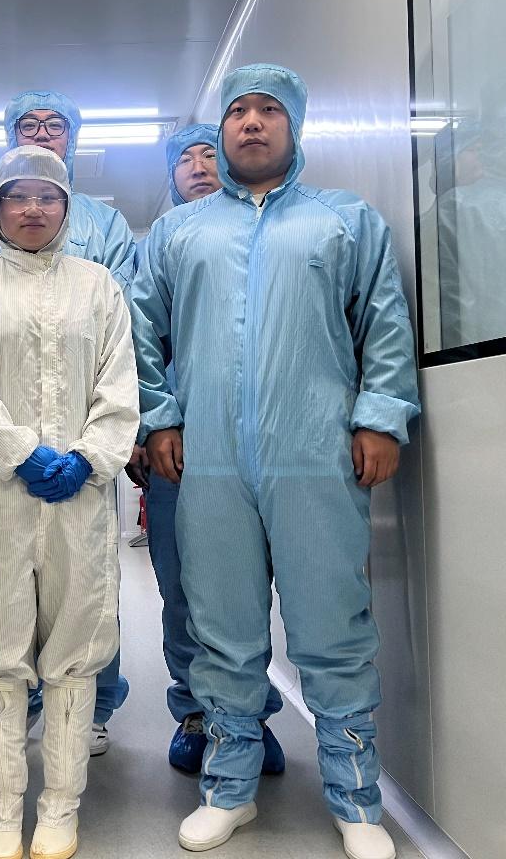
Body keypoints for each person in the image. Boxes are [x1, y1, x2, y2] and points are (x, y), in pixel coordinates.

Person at [133, 64, 420, 859]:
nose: (251, 123)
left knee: (331, 620)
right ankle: (229, 789)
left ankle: (355, 798)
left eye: (268, 110)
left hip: (314, 451)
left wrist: (380, 418)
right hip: (210, 460)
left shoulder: (344, 220)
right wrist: (160, 418)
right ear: (220, 129)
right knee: (220, 621)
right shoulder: (179, 232)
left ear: (293, 125)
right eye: (237, 112)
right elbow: (142, 333)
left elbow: (384, 324)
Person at [0, 145, 139, 859]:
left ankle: (59, 806)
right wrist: (21, 453)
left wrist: (87, 458)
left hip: (80, 501)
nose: (32, 209)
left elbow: (119, 387)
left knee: (75, 651)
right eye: (17, 197)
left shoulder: (99, 287)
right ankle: (1, 810)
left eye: (47, 197)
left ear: (67, 209)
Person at [146, 123, 286, 777]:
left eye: (209, 152)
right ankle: (196, 714)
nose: (200, 165)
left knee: (250, 587)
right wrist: (151, 426)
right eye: (186, 158)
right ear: (170, 175)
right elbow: (137, 345)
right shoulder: (161, 243)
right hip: (182, 444)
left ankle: (248, 714)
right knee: (184, 587)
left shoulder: (273, 233)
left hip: (273, 441)